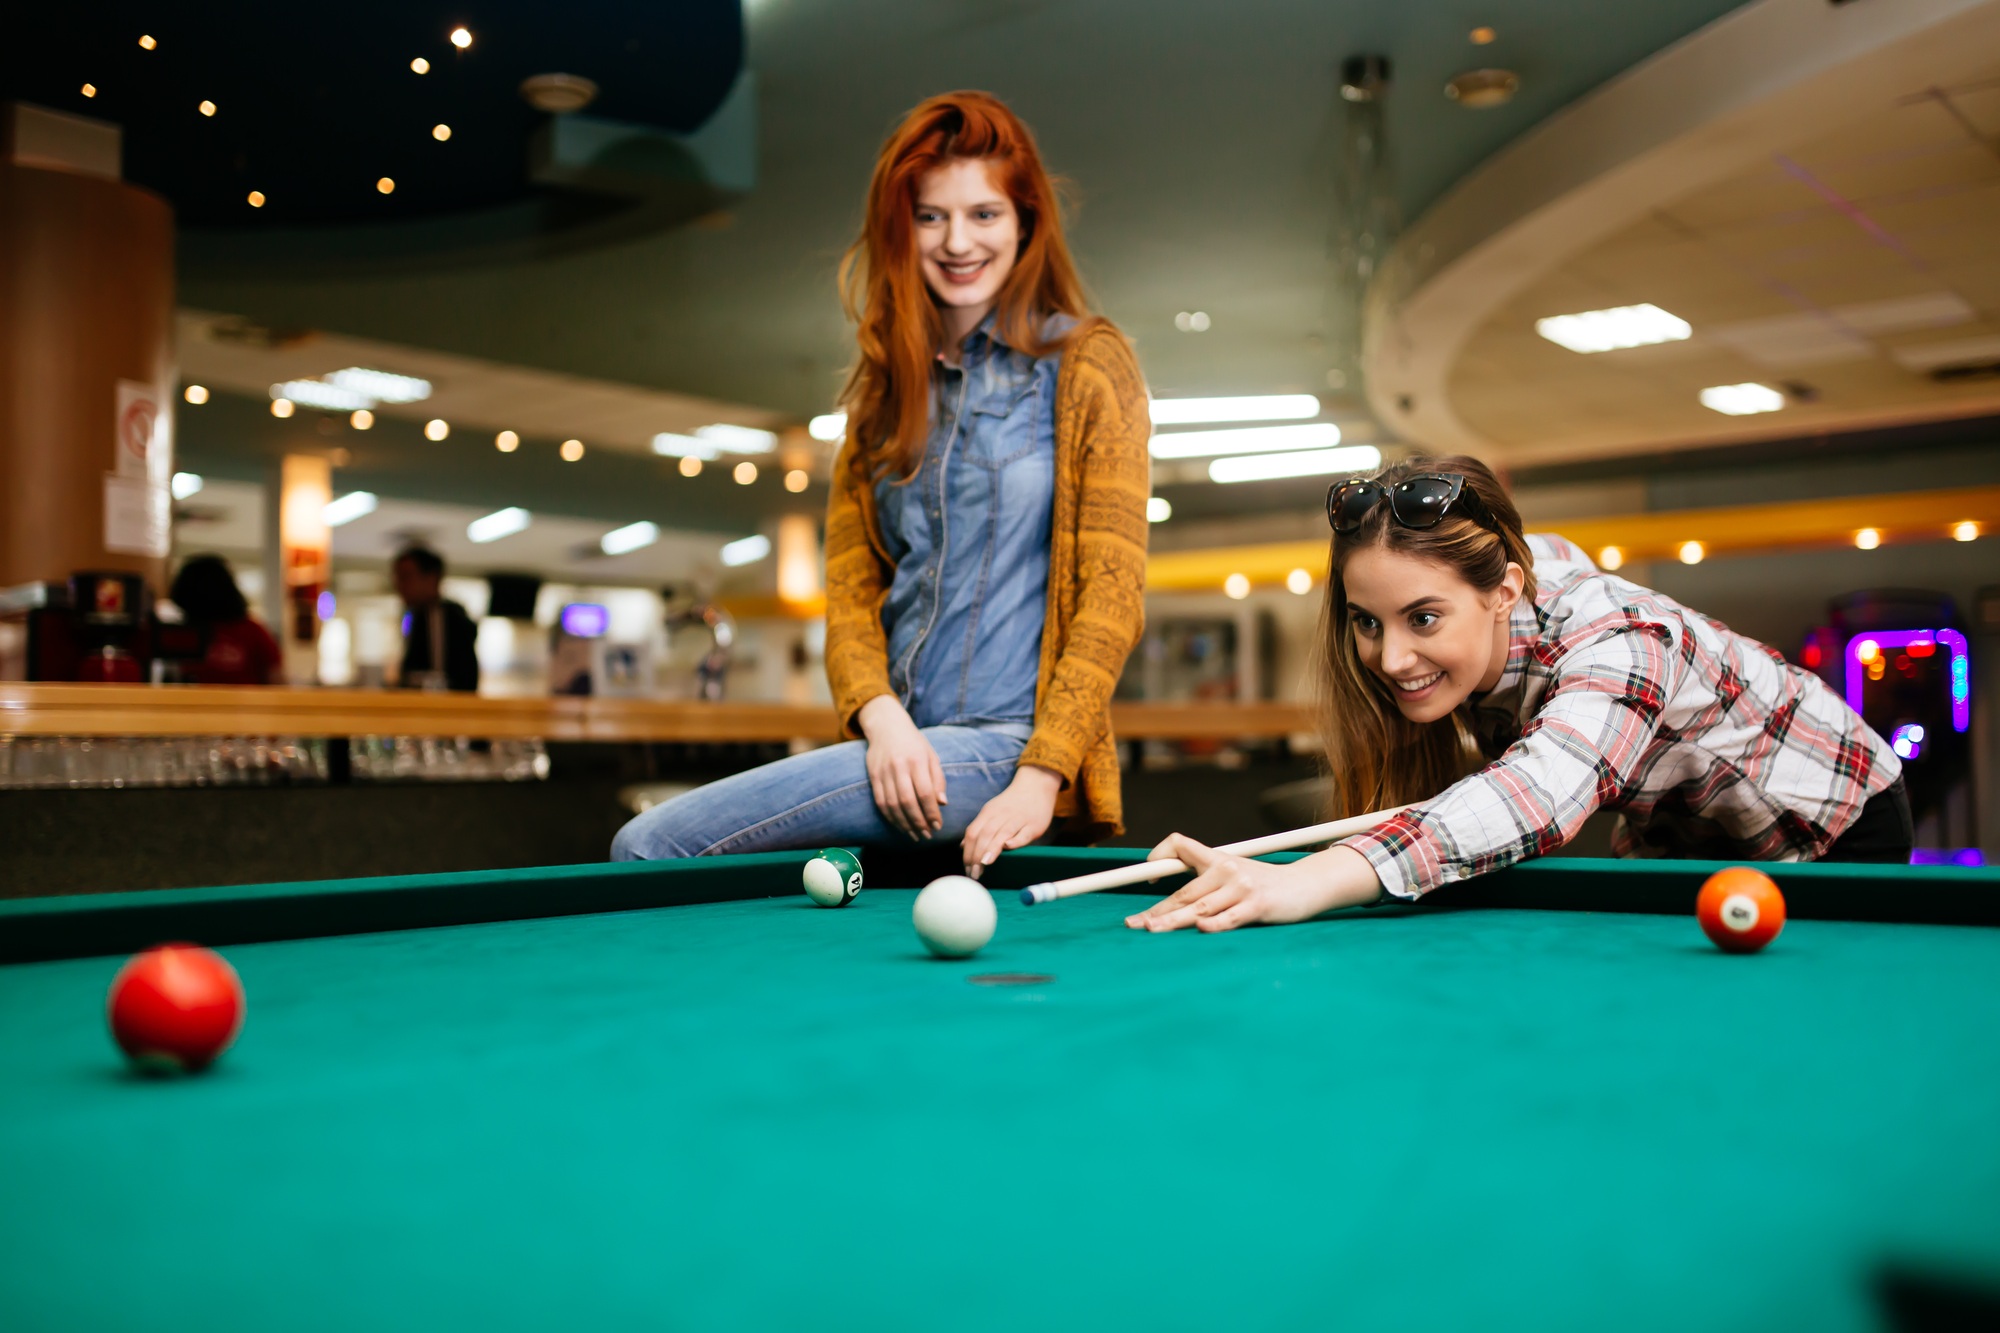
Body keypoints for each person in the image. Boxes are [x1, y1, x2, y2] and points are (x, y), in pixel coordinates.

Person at [613, 90, 1150, 876]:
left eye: (984, 214)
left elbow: (1112, 594)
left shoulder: (1088, 365)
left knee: (650, 843)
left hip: (1005, 751)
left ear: (1027, 221)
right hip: (892, 747)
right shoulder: (880, 397)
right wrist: (884, 721)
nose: (957, 241)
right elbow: (851, 599)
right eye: (931, 216)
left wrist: (1042, 776)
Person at [1128, 455, 1911, 933]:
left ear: (1505, 592)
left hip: (1831, 825)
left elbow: (1538, 795)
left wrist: (1309, 877)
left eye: (1423, 617)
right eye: (1368, 622)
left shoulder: (1625, 643)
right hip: (1682, 834)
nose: (1391, 657)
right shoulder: (1501, 580)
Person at [168, 555, 283, 685]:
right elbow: (277, 681)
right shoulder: (179, 633)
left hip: (243, 704)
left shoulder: (252, 631)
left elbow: (276, 681)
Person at [392, 546, 480, 692]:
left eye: (406, 577)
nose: (399, 585)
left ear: (432, 578)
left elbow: (439, 679)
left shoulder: (441, 617)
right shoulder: (416, 616)